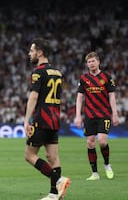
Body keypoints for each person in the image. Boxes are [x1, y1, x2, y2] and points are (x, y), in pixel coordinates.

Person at [23, 38, 70, 200]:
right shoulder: (57, 73)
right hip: (55, 118)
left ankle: (59, 181)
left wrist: (26, 120)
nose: (29, 53)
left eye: (31, 50)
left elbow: (34, 96)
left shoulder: (38, 72)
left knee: (29, 155)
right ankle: (54, 194)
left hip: (42, 118)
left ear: (40, 52)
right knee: (53, 156)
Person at [75, 51, 119, 181]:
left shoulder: (107, 77)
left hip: (104, 114)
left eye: (93, 61)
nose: (91, 63)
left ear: (98, 62)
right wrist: (78, 115)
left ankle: (107, 164)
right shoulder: (84, 79)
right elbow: (79, 98)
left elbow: (112, 96)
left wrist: (115, 114)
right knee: (90, 143)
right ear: (87, 64)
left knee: (102, 141)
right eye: (89, 62)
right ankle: (94, 173)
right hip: (89, 115)